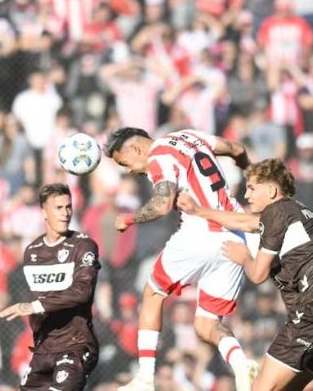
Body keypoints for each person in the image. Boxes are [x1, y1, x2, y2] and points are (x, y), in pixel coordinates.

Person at [177, 158, 313, 390]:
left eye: (252, 188)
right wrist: (199, 211)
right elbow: (245, 222)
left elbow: (258, 274)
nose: (247, 196)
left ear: (272, 190)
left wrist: (244, 257)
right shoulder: (295, 211)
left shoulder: (276, 212)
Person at [104, 127, 259, 391]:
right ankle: (242, 365)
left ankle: (144, 379)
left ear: (136, 149)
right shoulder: (190, 136)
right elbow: (237, 149)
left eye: (124, 162)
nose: (129, 170)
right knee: (206, 324)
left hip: (199, 232)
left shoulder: (158, 156)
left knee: (153, 292)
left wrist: (127, 219)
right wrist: (252, 180)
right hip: (235, 236)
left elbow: (162, 205)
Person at [0, 183, 101, 391]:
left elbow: (83, 292)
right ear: (44, 212)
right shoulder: (33, 252)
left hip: (76, 344)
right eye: (59, 208)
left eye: (68, 207)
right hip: (44, 348)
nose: (66, 213)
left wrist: (34, 307)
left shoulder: (83, 246)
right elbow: (40, 296)